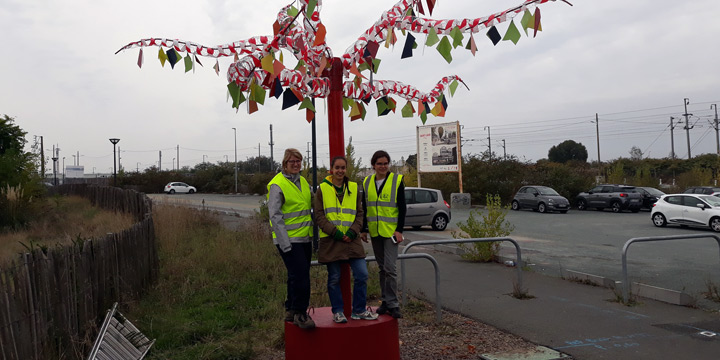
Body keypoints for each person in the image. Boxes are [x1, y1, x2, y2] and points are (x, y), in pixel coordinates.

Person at [315, 156, 378, 323]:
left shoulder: (353, 187)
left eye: (343, 168)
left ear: (346, 169)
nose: (340, 171)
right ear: (331, 169)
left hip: (352, 240)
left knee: (362, 274)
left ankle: (359, 310)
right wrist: (333, 232)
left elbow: (360, 213)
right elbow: (319, 215)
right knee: (334, 277)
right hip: (332, 240)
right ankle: (337, 311)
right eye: (337, 167)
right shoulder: (322, 189)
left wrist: (353, 231)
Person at [267, 148, 315, 329]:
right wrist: (285, 243)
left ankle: (291, 309)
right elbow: (275, 216)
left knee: (296, 275)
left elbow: (312, 202)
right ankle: (301, 313)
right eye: (292, 161)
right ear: (284, 164)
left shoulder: (302, 181)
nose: (296, 164)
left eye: (298, 161)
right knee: (302, 276)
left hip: (304, 239)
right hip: (289, 240)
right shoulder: (277, 184)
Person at [361, 150, 407, 319]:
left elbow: (402, 207)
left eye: (385, 163)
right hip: (375, 231)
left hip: (391, 232)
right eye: (379, 163)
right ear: (373, 165)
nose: (383, 166)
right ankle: (385, 301)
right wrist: (364, 229)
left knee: (390, 268)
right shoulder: (367, 182)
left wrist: (399, 229)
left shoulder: (397, 180)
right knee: (382, 269)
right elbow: (364, 207)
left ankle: (394, 304)